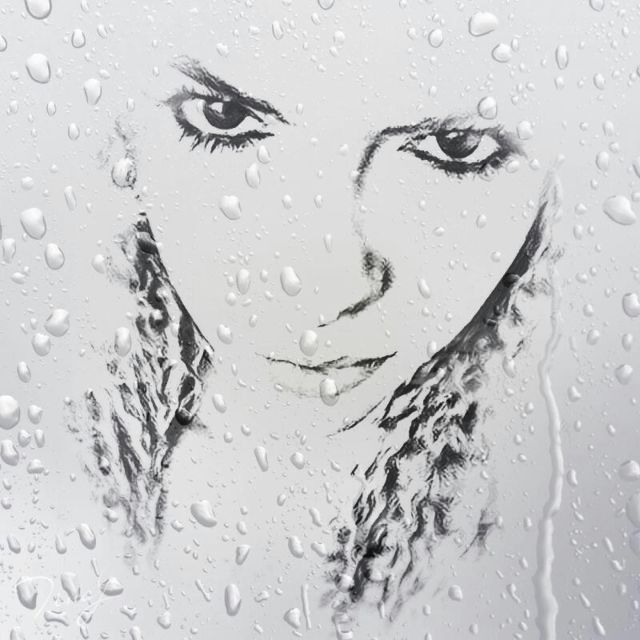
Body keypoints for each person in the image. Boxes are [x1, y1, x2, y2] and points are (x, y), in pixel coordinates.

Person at [41, 0, 628, 633]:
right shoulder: (50, 444)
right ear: (121, 135)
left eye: (453, 148)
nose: (329, 288)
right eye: (225, 117)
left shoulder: (575, 515)